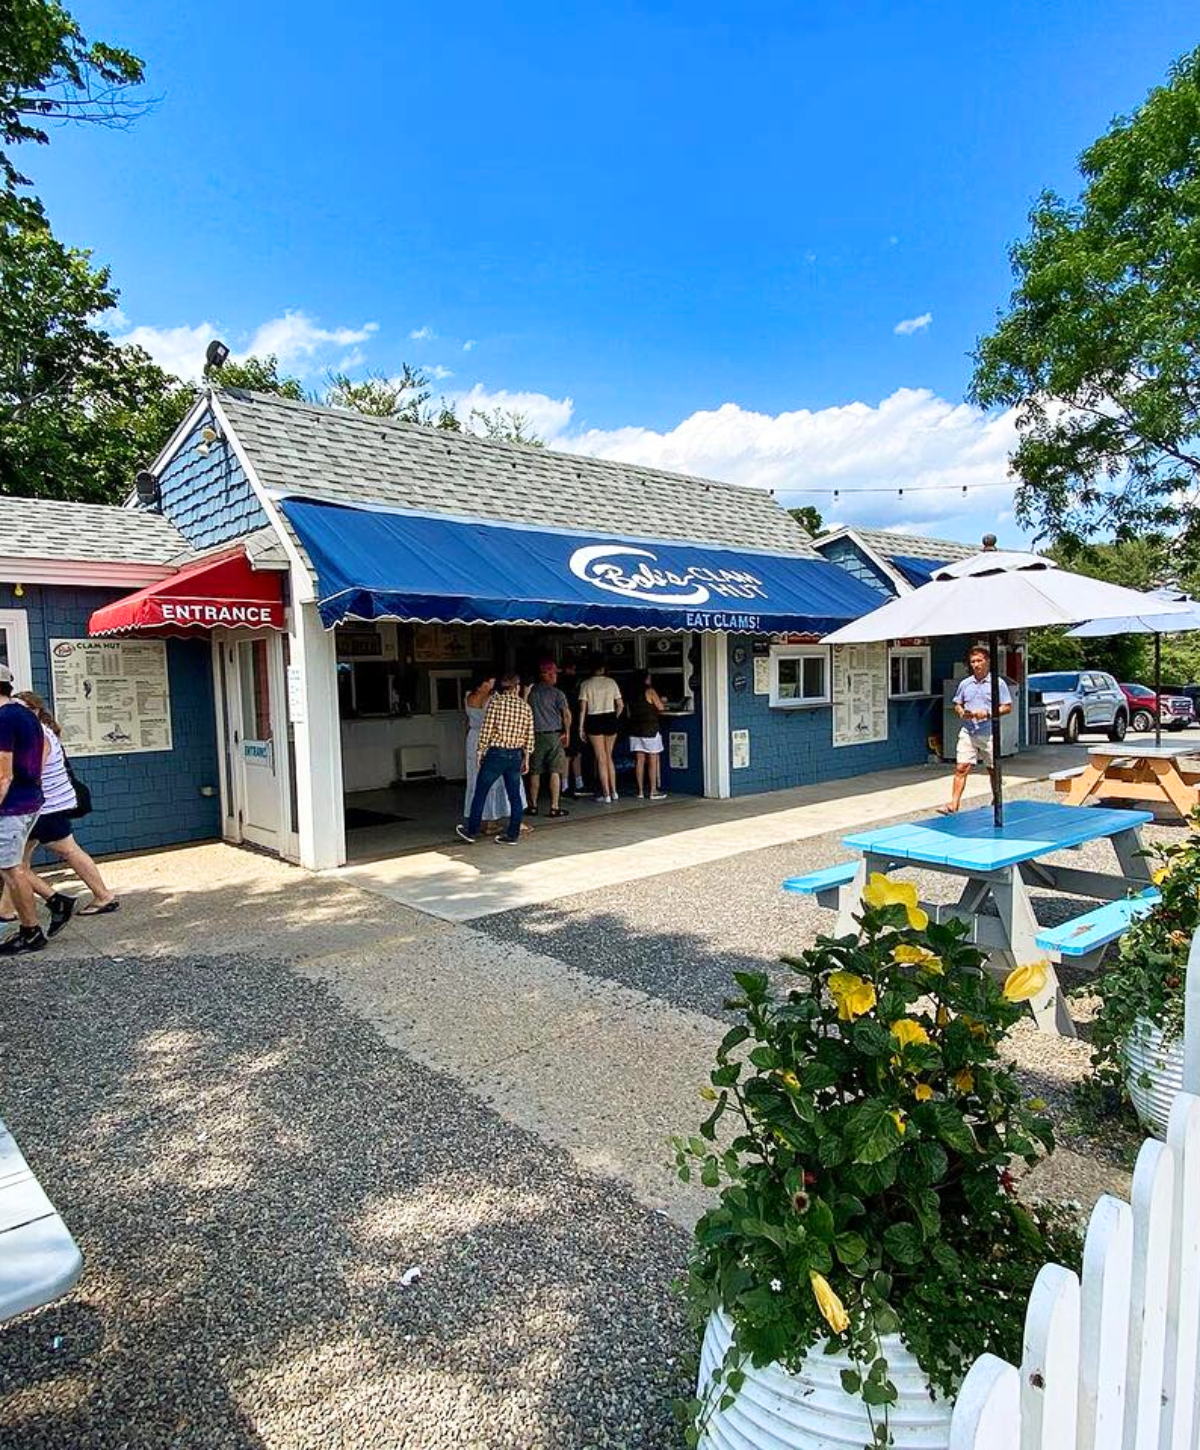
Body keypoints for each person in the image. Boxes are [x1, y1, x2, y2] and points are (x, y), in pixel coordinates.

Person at [10, 692, 118, 921]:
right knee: (20, 860)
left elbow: (32, 773)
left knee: (14, 863)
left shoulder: (38, 735)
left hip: (44, 807)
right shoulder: (38, 731)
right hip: (48, 804)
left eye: (22, 709)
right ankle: (8, 909)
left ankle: (62, 901)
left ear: (35, 711)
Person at [0, 667, 47, 955]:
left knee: (11, 870)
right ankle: (31, 929)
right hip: (30, 800)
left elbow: (3, 774)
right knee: (14, 867)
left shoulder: (3, 718)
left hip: (12, 806)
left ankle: (31, 932)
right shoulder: (25, 714)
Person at [456, 673, 535, 845]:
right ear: (517, 688)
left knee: (481, 791)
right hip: (515, 755)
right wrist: (526, 758)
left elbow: (487, 729)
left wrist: (479, 752)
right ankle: (513, 834)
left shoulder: (496, 704)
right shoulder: (525, 707)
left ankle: (472, 831)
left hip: (496, 754)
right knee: (514, 795)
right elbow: (529, 736)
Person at [940, 645, 1012, 815]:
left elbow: (1007, 707)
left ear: (987, 662)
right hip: (968, 730)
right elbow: (958, 702)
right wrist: (960, 711)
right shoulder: (965, 684)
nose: (976, 664)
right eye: (973, 661)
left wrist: (988, 713)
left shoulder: (997, 683)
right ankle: (954, 805)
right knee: (961, 767)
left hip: (988, 731)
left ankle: (997, 798)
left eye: (979, 660)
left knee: (993, 768)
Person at [525, 660, 572, 818]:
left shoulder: (530, 693)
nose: (555, 677)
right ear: (547, 675)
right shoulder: (557, 693)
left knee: (535, 771)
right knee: (555, 771)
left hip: (535, 736)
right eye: (553, 674)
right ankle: (554, 807)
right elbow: (566, 714)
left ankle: (532, 806)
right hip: (554, 735)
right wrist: (567, 732)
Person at [577, 656, 623, 803]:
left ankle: (606, 794)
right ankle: (614, 792)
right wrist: (614, 717)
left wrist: (580, 727)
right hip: (610, 717)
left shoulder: (586, 684)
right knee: (609, 757)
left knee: (601, 758)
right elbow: (620, 705)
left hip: (593, 719)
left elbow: (582, 709)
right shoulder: (612, 682)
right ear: (603, 668)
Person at [627, 672, 669, 800]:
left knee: (639, 761)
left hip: (635, 731)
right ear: (645, 679)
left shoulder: (631, 693)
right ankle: (653, 791)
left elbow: (628, 714)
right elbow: (661, 707)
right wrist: (662, 701)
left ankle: (640, 791)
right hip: (650, 730)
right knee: (652, 760)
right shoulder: (650, 691)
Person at [558, 658, 586, 798]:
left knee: (568, 754)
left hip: (563, 722)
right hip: (573, 722)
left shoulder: (559, 685)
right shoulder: (577, 685)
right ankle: (574, 784)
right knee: (573, 754)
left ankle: (566, 785)